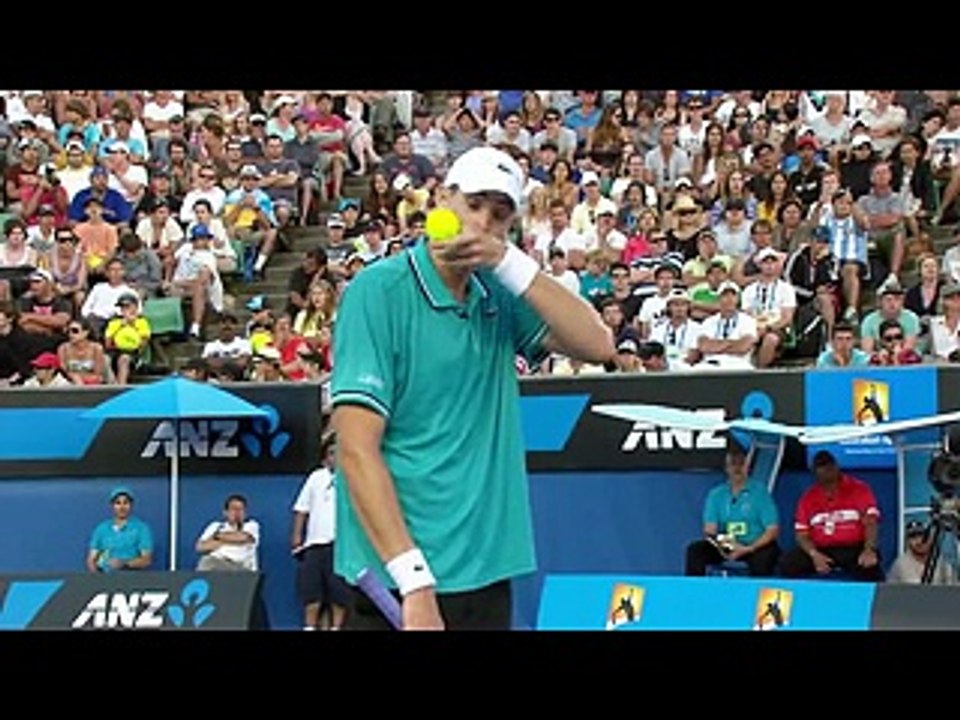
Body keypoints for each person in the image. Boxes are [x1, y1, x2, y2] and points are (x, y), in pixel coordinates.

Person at [331, 146, 613, 630]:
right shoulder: (376, 291)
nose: (483, 223)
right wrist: (414, 580)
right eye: (474, 204)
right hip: (399, 575)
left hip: (483, 571)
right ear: (443, 198)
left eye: (499, 215)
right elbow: (356, 450)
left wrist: (510, 264)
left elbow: (598, 344)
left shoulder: (500, 291)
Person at [777, 450, 883, 582]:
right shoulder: (807, 498)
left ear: (836, 467)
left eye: (829, 467)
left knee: (870, 567)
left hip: (853, 547)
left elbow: (871, 522)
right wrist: (815, 555)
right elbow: (801, 535)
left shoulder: (859, 489)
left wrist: (869, 549)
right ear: (814, 473)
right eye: (821, 469)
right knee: (788, 564)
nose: (827, 472)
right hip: (822, 549)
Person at [684, 442, 780, 576]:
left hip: (755, 546)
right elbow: (710, 530)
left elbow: (772, 530)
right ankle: (694, 593)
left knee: (765, 559)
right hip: (727, 545)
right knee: (695, 551)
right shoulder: (716, 495)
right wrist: (727, 546)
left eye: (741, 464)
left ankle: (755, 595)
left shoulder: (760, 493)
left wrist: (748, 548)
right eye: (733, 464)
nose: (737, 469)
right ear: (726, 468)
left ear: (747, 467)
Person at [292, 435, 352, 630]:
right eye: (332, 453)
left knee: (339, 594)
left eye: (340, 453)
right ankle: (310, 627)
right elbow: (302, 508)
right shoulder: (316, 477)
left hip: (341, 545)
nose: (336, 457)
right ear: (326, 458)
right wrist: (297, 536)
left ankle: (336, 628)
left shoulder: (351, 478)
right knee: (312, 593)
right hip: (315, 544)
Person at [86, 486, 154, 573]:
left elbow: (146, 560)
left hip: (132, 581)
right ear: (112, 506)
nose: (122, 507)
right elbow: (91, 560)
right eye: (118, 503)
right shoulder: (101, 529)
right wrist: (98, 581)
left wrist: (124, 563)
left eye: (125, 503)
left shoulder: (141, 528)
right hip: (106, 581)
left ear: (131, 505)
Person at [195, 494, 260, 572]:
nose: (237, 512)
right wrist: (230, 540)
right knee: (206, 561)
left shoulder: (251, 525)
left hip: (241, 568)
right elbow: (200, 547)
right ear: (225, 512)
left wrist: (216, 538)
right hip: (217, 563)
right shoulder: (215, 526)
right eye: (233, 509)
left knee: (207, 562)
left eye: (240, 509)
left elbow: (243, 537)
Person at [887, 520, 954, 585]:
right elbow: (888, 592)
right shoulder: (900, 565)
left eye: (922, 536)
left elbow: (953, 591)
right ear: (908, 542)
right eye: (913, 537)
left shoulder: (942, 564)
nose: (919, 541)